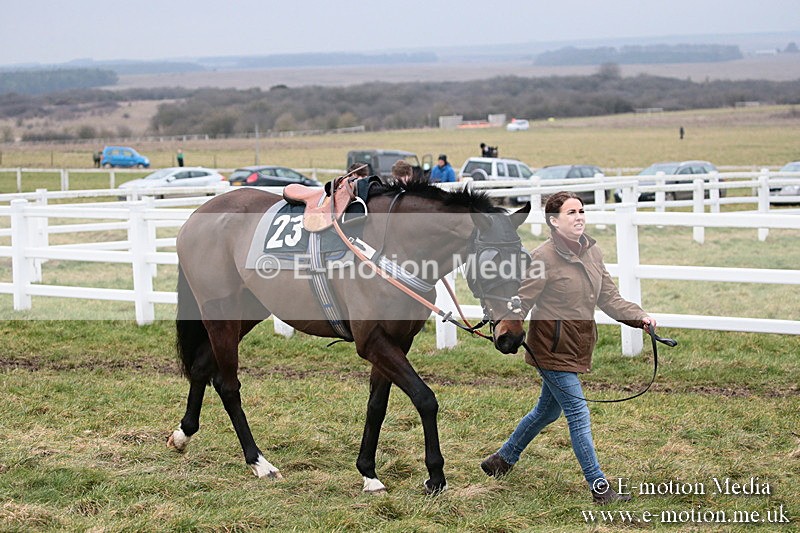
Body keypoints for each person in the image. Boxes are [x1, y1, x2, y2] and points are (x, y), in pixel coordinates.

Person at [480, 191, 656, 505]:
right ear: (554, 220)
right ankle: (599, 488)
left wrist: (639, 317)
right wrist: (503, 328)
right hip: (550, 349)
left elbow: (609, 298)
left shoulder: (593, 252)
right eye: (571, 212)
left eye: (581, 211)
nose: (578, 217)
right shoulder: (543, 257)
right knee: (578, 413)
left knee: (546, 411)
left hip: (578, 346)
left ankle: (501, 459)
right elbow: (523, 300)